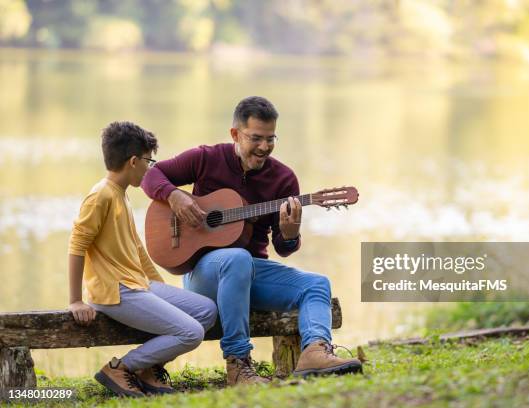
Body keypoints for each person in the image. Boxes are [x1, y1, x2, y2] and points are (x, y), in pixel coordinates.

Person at [142, 96, 362, 385]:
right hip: (204, 276)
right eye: (256, 138)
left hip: (252, 272)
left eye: (271, 139)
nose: (264, 147)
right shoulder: (206, 158)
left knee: (316, 284)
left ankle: (315, 351)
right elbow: (151, 175)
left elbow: (284, 250)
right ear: (235, 134)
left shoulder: (283, 179)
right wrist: (174, 195)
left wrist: (290, 233)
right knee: (237, 258)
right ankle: (238, 364)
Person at [68, 122, 217, 397]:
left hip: (137, 284)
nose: (150, 168)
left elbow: (137, 249)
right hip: (114, 291)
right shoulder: (100, 195)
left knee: (207, 310)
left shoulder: (120, 194)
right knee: (192, 333)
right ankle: (120, 367)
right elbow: (76, 245)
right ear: (133, 161)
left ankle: (148, 368)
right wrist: (76, 300)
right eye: (149, 161)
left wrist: (160, 287)